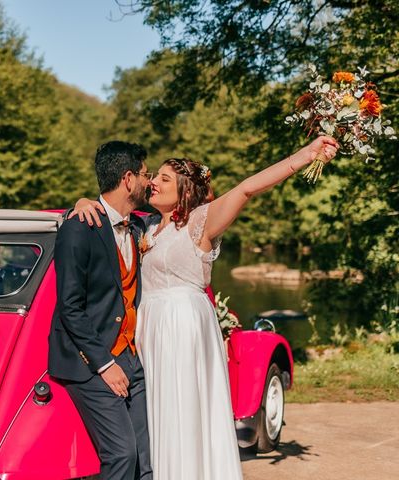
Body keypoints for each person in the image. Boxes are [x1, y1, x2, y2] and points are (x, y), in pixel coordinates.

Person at [71, 136, 339, 479]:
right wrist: (81, 201)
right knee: (156, 416)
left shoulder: (201, 222)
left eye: (164, 179)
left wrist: (302, 156)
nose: (153, 181)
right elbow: (107, 211)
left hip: (183, 326)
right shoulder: (144, 225)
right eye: (154, 176)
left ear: (184, 191)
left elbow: (246, 189)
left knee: (184, 410)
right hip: (149, 330)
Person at [48, 141, 154, 480]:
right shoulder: (79, 228)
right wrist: (105, 364)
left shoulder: (139, 227)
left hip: (132, 356)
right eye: (144, 174)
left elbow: (179, 209)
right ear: (127, 178)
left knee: (146, 456)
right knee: (122, 454)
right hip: (91, 360)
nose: (149, 182)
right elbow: (70, 307)